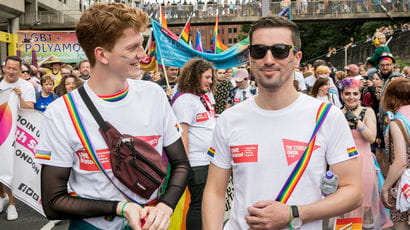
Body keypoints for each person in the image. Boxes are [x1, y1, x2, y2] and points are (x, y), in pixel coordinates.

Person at [35, 3, 190, 230]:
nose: (143, 55)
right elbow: (53, 202)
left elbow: (181, 164)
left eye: (142, 44)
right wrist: (120, 207)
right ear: (102, 55)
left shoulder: (154, 95)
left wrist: (165, 206)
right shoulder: (61, 112)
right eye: (133, 47)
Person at [202, 15, 363, 230]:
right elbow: (214, 192)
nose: (269, 59)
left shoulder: (326, 116)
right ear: (250, 57)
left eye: (280, 50)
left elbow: (353, 191)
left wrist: (294, 213)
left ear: (296, 58)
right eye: (259, 51)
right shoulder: (230, 119)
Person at [339, 78, 392, 229]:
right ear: (342, 95)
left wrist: (357, 122)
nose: (351, 97)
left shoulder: (367, 112)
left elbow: (371, 138)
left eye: (355, 93)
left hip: (364, 162)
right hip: (344, 164)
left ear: (360, 95)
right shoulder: (336, 113)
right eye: (347, 93)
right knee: (344, 203)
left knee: (366, 203)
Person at [171, 58, 215, 230]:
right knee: (199, 205)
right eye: (206, 77)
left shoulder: (201, 98)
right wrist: (184, 164)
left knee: (205, 204)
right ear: (194, 76)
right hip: (196, 163)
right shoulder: (185, 100)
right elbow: (182, 134)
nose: (210, 81)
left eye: (211, 78)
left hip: (207, 160)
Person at [0, 56, 37, 221]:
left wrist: (20, 97)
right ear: (4, 68)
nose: (11, 71)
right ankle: (2, 197)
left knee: (12, 168)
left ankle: (12, 204)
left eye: (15, 68)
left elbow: (30, 108)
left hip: (19, 133)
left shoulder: (27, 86)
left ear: (20, 70)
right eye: (9, 68)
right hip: (2, 130)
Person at [381, 78, 410, 230]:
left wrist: (385, 187)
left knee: (401, 225)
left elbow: (400, 162)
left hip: (403, 185)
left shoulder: (397, 122)